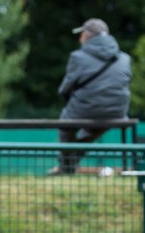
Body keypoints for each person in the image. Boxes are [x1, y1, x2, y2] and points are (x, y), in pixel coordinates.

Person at [48, 18, 132, 175]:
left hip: (84, 109)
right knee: (94, 129)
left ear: (87, 35)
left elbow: (64, 89)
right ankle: (70, 161)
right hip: (118, 112)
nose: (79, 38)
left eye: (81, 34)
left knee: (66, 125)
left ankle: (67, 167)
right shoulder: (125, 59)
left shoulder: (77, 57)